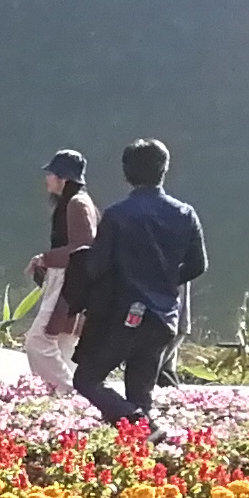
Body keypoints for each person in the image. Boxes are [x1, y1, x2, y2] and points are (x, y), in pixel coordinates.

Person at [83, 137, 206, 424]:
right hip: (163, 317)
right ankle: (142, 447)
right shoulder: (185, 214)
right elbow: (198, 265)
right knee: (141, 391)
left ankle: (138, 422)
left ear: (126, 172)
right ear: (164, 169)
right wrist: (164, 280)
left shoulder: (117, 215)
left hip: (123, 316)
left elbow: (97, 266)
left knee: (87, 379)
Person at [23, 149, 101, 396]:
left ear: (64, 178)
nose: (47, 179)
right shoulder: (79, 201)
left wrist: (46, 258)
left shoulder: (76, 203)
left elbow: (82, 248)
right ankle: (63, 402)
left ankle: (71, 392)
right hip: (76, 281)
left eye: (52, 174)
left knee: (37, 341)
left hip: (69, 280)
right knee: (63, 344)